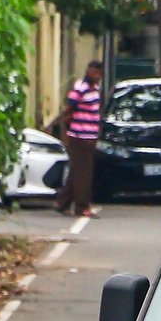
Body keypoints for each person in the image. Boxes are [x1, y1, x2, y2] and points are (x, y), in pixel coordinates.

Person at [55, 59, 104, 218]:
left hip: (90, 137)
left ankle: (62, 202)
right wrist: (71, 130)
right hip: (79, 137)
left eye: (97, 72)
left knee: (77, 171)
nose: (94, 75)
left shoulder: (95, 89)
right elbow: (69, 109)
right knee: (84, 173)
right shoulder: (80, 87)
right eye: (92, 71)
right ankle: (82, 207)